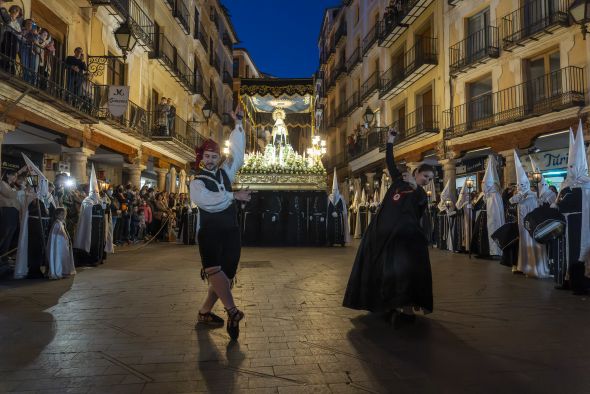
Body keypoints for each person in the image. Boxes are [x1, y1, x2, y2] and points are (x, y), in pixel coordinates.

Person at [343, 127, 435, 328]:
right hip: (382, 234)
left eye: (429, 180)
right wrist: (391, 141)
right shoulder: (398, 181)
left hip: (405, 240)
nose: (426, 181)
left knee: (404, 273)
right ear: (416, 171)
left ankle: (407, 309)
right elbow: (390, 162)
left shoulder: (419, 193)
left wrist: (416, 186)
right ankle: (385, 304)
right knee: (383, 270)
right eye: (424, 177)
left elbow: (420, 203)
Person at [190, 105, 249, 340]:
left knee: (226, 275)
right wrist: (234, 195)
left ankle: (205, 312)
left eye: (215, 156)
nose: (212, 159)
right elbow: (206, 202)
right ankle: (232, 311)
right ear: (201, 158)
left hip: (231, 230)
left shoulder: (227, 171)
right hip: (210, 231)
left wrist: (238, 124)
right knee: (215, 270)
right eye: (208, 156)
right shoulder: (197, 181)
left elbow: (239, 153)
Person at [510, 151, 549, 278]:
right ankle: (524, 265)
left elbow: (540, 202)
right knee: (524, 243)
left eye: (523, 184)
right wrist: (521, 194)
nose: (521, 186)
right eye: (519, 185)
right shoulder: (520, 196)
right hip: (522, 226)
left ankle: (535, 266)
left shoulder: (533, 195)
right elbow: (511, 200)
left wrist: (530, 194)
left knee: (534, 243)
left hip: (532, 225)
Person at [73, 165, 105, 266]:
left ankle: (99, 257)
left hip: (98, 225)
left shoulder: (100, 200)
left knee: (98, 241)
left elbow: (105, 209)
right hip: (90, 226)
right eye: (94, 192)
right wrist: (96, 206)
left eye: (97, 191)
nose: (96, 193)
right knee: (90, 241)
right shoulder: (87, 200)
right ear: (90, 192)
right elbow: (87, 210)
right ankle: (90, 258)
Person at [0, 169, 23, 265]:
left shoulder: (14, 186)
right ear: (8, 175)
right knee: (4, 233)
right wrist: (21, 191)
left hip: (15, 211)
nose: (15, 178)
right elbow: (9, 195)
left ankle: (4, 256)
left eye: (16, 176)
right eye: (13, 175)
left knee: (10, 234)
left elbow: (19, 197)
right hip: (7, 210)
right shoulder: (2, 183)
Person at [46, 207, 76, 279]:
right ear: (56, 215)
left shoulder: (61, 223)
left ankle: (63, 270)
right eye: (61, 214)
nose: (63, 216)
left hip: (63, 245)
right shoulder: (57, 224)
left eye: (64, 214)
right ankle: (58, 270)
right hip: (59, 246)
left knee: (64, 257)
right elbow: (58, 235)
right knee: (59, 257)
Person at [327, 168, 349, 246]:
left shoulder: (341, 197)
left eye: (336, 189)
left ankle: (341, 241)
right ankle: (331, 241)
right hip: (331, 218)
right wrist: (331, 213)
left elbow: (342, 208)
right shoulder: (329, 197)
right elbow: (328, 208)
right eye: (333, 189)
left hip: (339, 217)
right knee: (331, 228)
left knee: (340, 229)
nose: (334, 191)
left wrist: (338, 212)